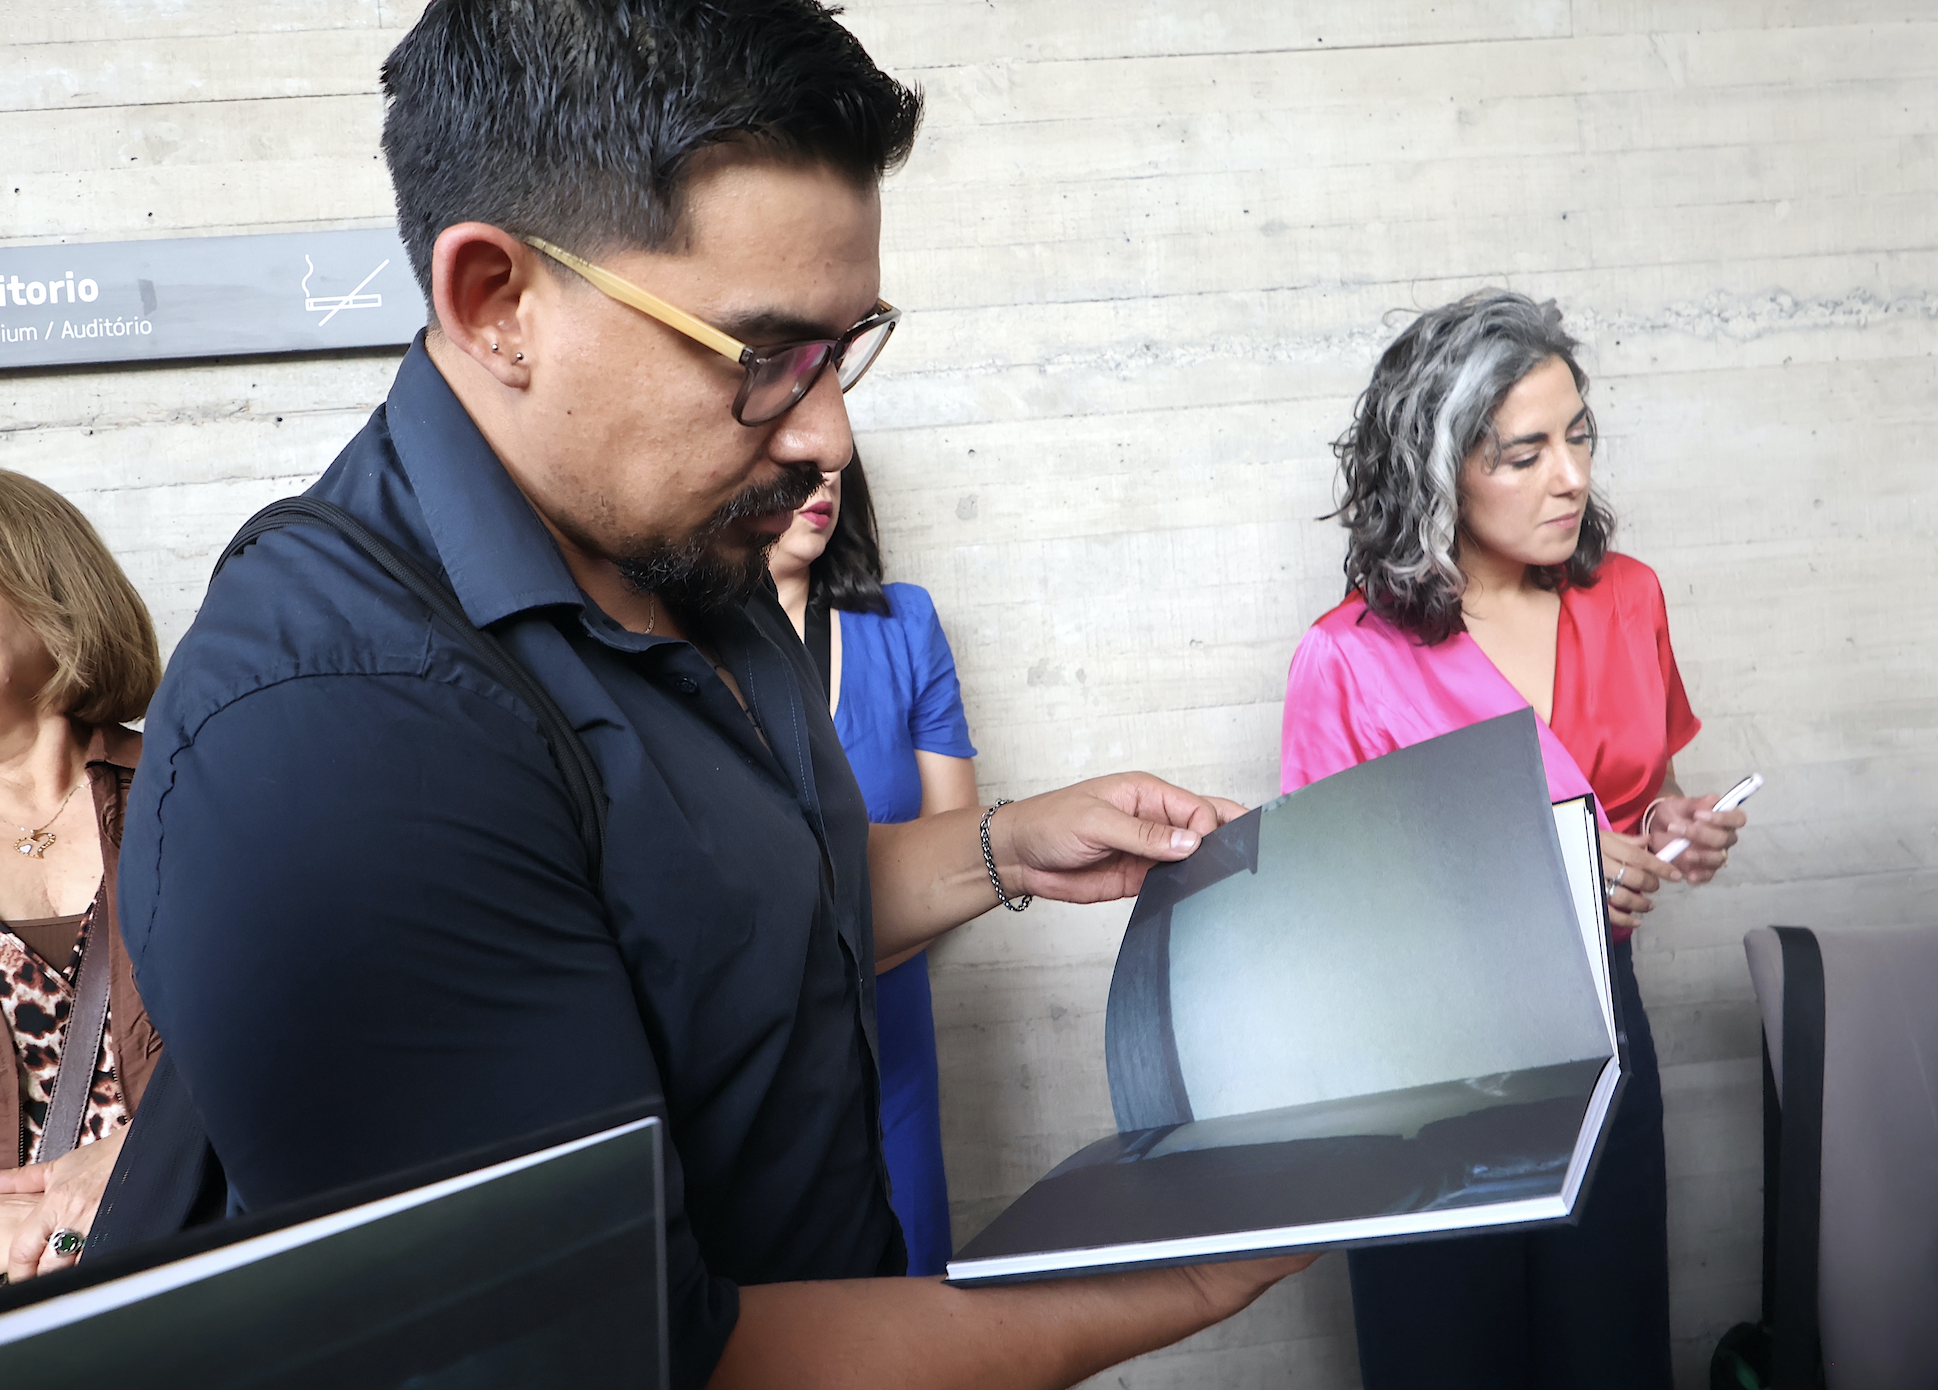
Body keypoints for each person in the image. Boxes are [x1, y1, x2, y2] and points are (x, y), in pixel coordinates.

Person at [117, 4, 1311, 1388]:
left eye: (843, 347)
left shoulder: (687, 546)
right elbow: (623, 1355)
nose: (827, 435)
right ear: (497, 301)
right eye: (764, 356)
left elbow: (718, 932)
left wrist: (1002, 848)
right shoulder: (335, 729)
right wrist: (1158, 1272)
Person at [1280, 290, 1747, 1389]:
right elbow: (1322, 918)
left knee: (1610, 1352)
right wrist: (1546, 870)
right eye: (1525, 454)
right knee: (1448, 1360)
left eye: (1579, 438)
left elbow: (1638, 791)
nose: (1570, 477)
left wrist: (1667, 826)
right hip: (1425, 1075)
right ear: (1437, 469)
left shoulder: (1629, 600)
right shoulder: (1348, 658)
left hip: (1604, 1043)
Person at [768, 452, 976, 1276]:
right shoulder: (660, 634)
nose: (822, 484)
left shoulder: (904, 623)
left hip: (892, 1043)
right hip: (749, 1054)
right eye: (796, 464)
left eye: (834, 467)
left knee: (913, 1279)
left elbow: (958, 855)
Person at [0, 471, 165, 1282]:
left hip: (198, 1248)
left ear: (48, 593)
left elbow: (318, 1025)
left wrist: (151, 1157)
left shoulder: (193, 787)